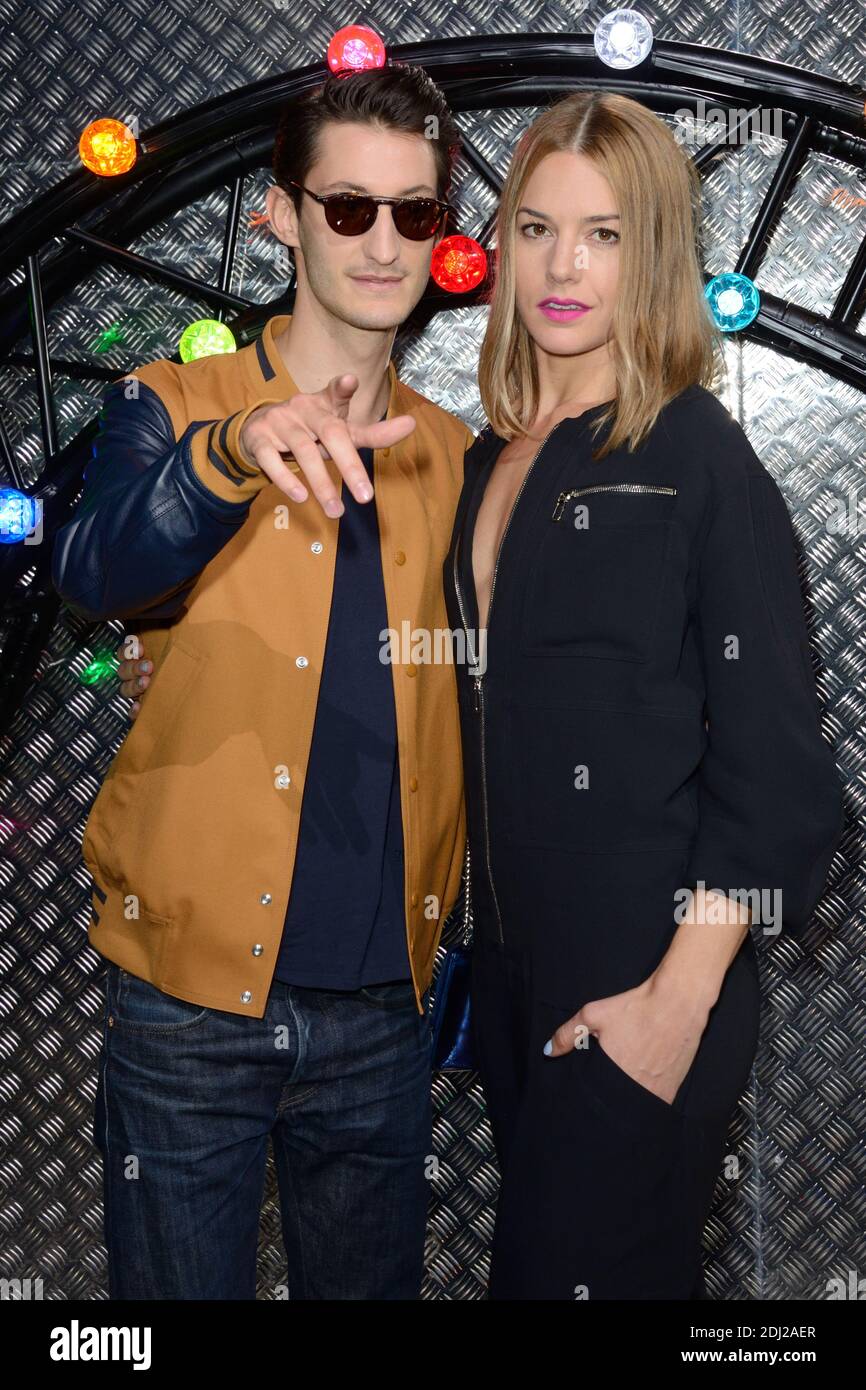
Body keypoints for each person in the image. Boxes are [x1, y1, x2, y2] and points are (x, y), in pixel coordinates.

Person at [51, 63, 476, 1300]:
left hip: (383, 1022)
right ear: (279, 215)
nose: (384, 241)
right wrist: (232, 456)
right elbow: (98, 568)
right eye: (349, 209)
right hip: (188, 1012)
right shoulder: (174, 404)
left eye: (414, 212)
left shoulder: (453, 455)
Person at [440, 90, 845, 1299]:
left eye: (605, 234)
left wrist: (675, 997)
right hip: (511, 967)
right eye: (535, 227)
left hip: (644, 971)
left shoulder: (692, 453)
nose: (564, 266)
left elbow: (778, 769)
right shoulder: (490, 455)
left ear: (652, 252)